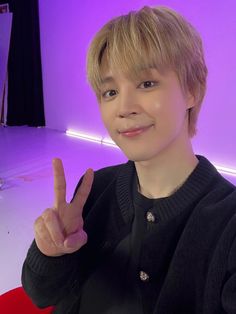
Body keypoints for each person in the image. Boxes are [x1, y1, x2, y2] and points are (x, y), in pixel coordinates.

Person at [21, 5, 236, 314]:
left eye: (146, 83)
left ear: (192, 90)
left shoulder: (228, 225)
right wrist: (50, 253)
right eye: (109, 92)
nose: (123, 107)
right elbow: (43, 295)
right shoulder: (96, 189)